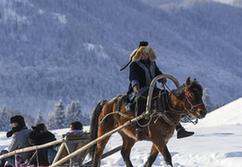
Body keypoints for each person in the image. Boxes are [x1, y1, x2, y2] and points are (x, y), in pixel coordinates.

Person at [127, 41, 194, 140]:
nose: (144, 55)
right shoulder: (134, 64)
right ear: (139, 54)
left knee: (166, 98)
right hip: (139, 90)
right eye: (142, 53)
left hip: (152, 89)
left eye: (146, 53)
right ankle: (138, 129)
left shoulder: (152, 63)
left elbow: (157, 73)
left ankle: (179, 128)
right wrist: (135, 86)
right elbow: (133, 77)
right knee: (140, 102)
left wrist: (162, 78)